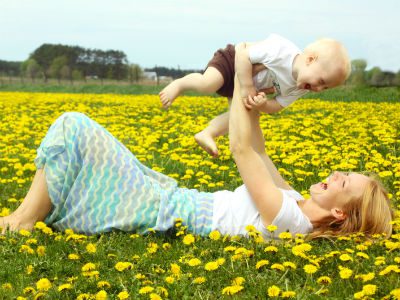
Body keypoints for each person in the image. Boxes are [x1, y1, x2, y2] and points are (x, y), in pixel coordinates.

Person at [0, 78, 393, 239]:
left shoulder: (292, 221)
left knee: (74, 127)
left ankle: (21, 222)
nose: (337, 173)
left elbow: (240, 151)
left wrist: (240, 72)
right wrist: (252, 101)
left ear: (341, 214)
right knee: (82, 155)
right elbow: (257, 149)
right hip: (173, 197)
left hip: (167, 210)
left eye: (344, 182)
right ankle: (29, 215)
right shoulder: (293, 202)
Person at [159, 34, 351, 157]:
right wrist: (247, 85)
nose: (318, 89)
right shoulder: (281, 51)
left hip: (247, 88)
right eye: (321, 81)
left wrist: (262, 105)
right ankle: (181, 83)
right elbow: (244, 55)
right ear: (310, 60)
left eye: (325, 88)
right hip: (231, 62)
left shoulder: (299, 88)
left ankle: (208, 133)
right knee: (208, 83)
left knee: (244, 115)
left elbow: (277, 105)